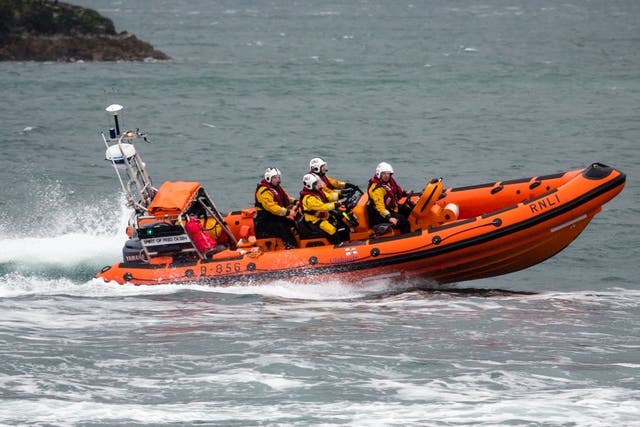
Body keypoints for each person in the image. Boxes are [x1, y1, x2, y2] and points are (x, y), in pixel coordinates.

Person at [254, 167, 298, 249]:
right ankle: (291, 248)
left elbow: (286, 198)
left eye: (278, 177)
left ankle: (296, 246)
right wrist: (288, 212)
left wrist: (295, 201)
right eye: (274, 178)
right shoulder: (264, 191)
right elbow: (272, 208)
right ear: (268, 178)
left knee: (293, 224)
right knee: (284, 230)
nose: (277, 180)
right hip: (266, 221)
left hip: (275, 218)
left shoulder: (276, 187)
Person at [300, 173, 349, 244]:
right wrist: (336, 204)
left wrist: (341, 195)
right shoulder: (309, 198)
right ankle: (337, 245)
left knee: (339, 222)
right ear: (310, 185)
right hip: (315, 221)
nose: (319, 184)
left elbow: (329, 196)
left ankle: (344, 240)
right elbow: (322, 207)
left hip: (324, 216)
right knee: (331, 230)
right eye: (317, 183)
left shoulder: (318, 192)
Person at [367, 161, 412, 234]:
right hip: (380, 214)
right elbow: (380, 208)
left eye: (388, 173)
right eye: (384, 173)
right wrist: (389, 218)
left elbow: (395, 190)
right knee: (404, 222)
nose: (386, 175)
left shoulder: (388, 182)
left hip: (390, 208)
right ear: (379, 174)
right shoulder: (377, 189)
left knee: (408, 210)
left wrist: (405, 193)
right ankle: (407, 239)